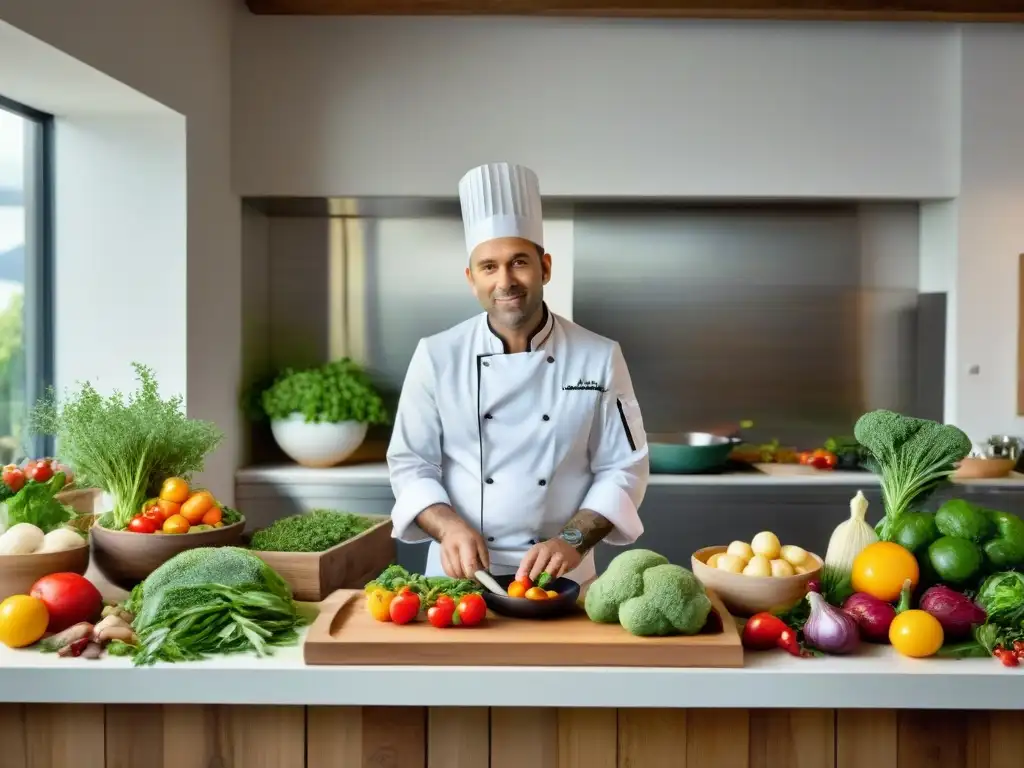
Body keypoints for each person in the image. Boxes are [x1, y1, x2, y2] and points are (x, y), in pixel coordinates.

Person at [386, 161, 650, 588]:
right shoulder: (436, 356)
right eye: (488, 267)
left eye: (519, 262)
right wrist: (448, 528)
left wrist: (570, 541)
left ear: (545, 267)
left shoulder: (599, 357)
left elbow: (624, 468)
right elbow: (410, 464)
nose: (505, 280)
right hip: (460, 579)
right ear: (471, 280)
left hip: (563, 578)